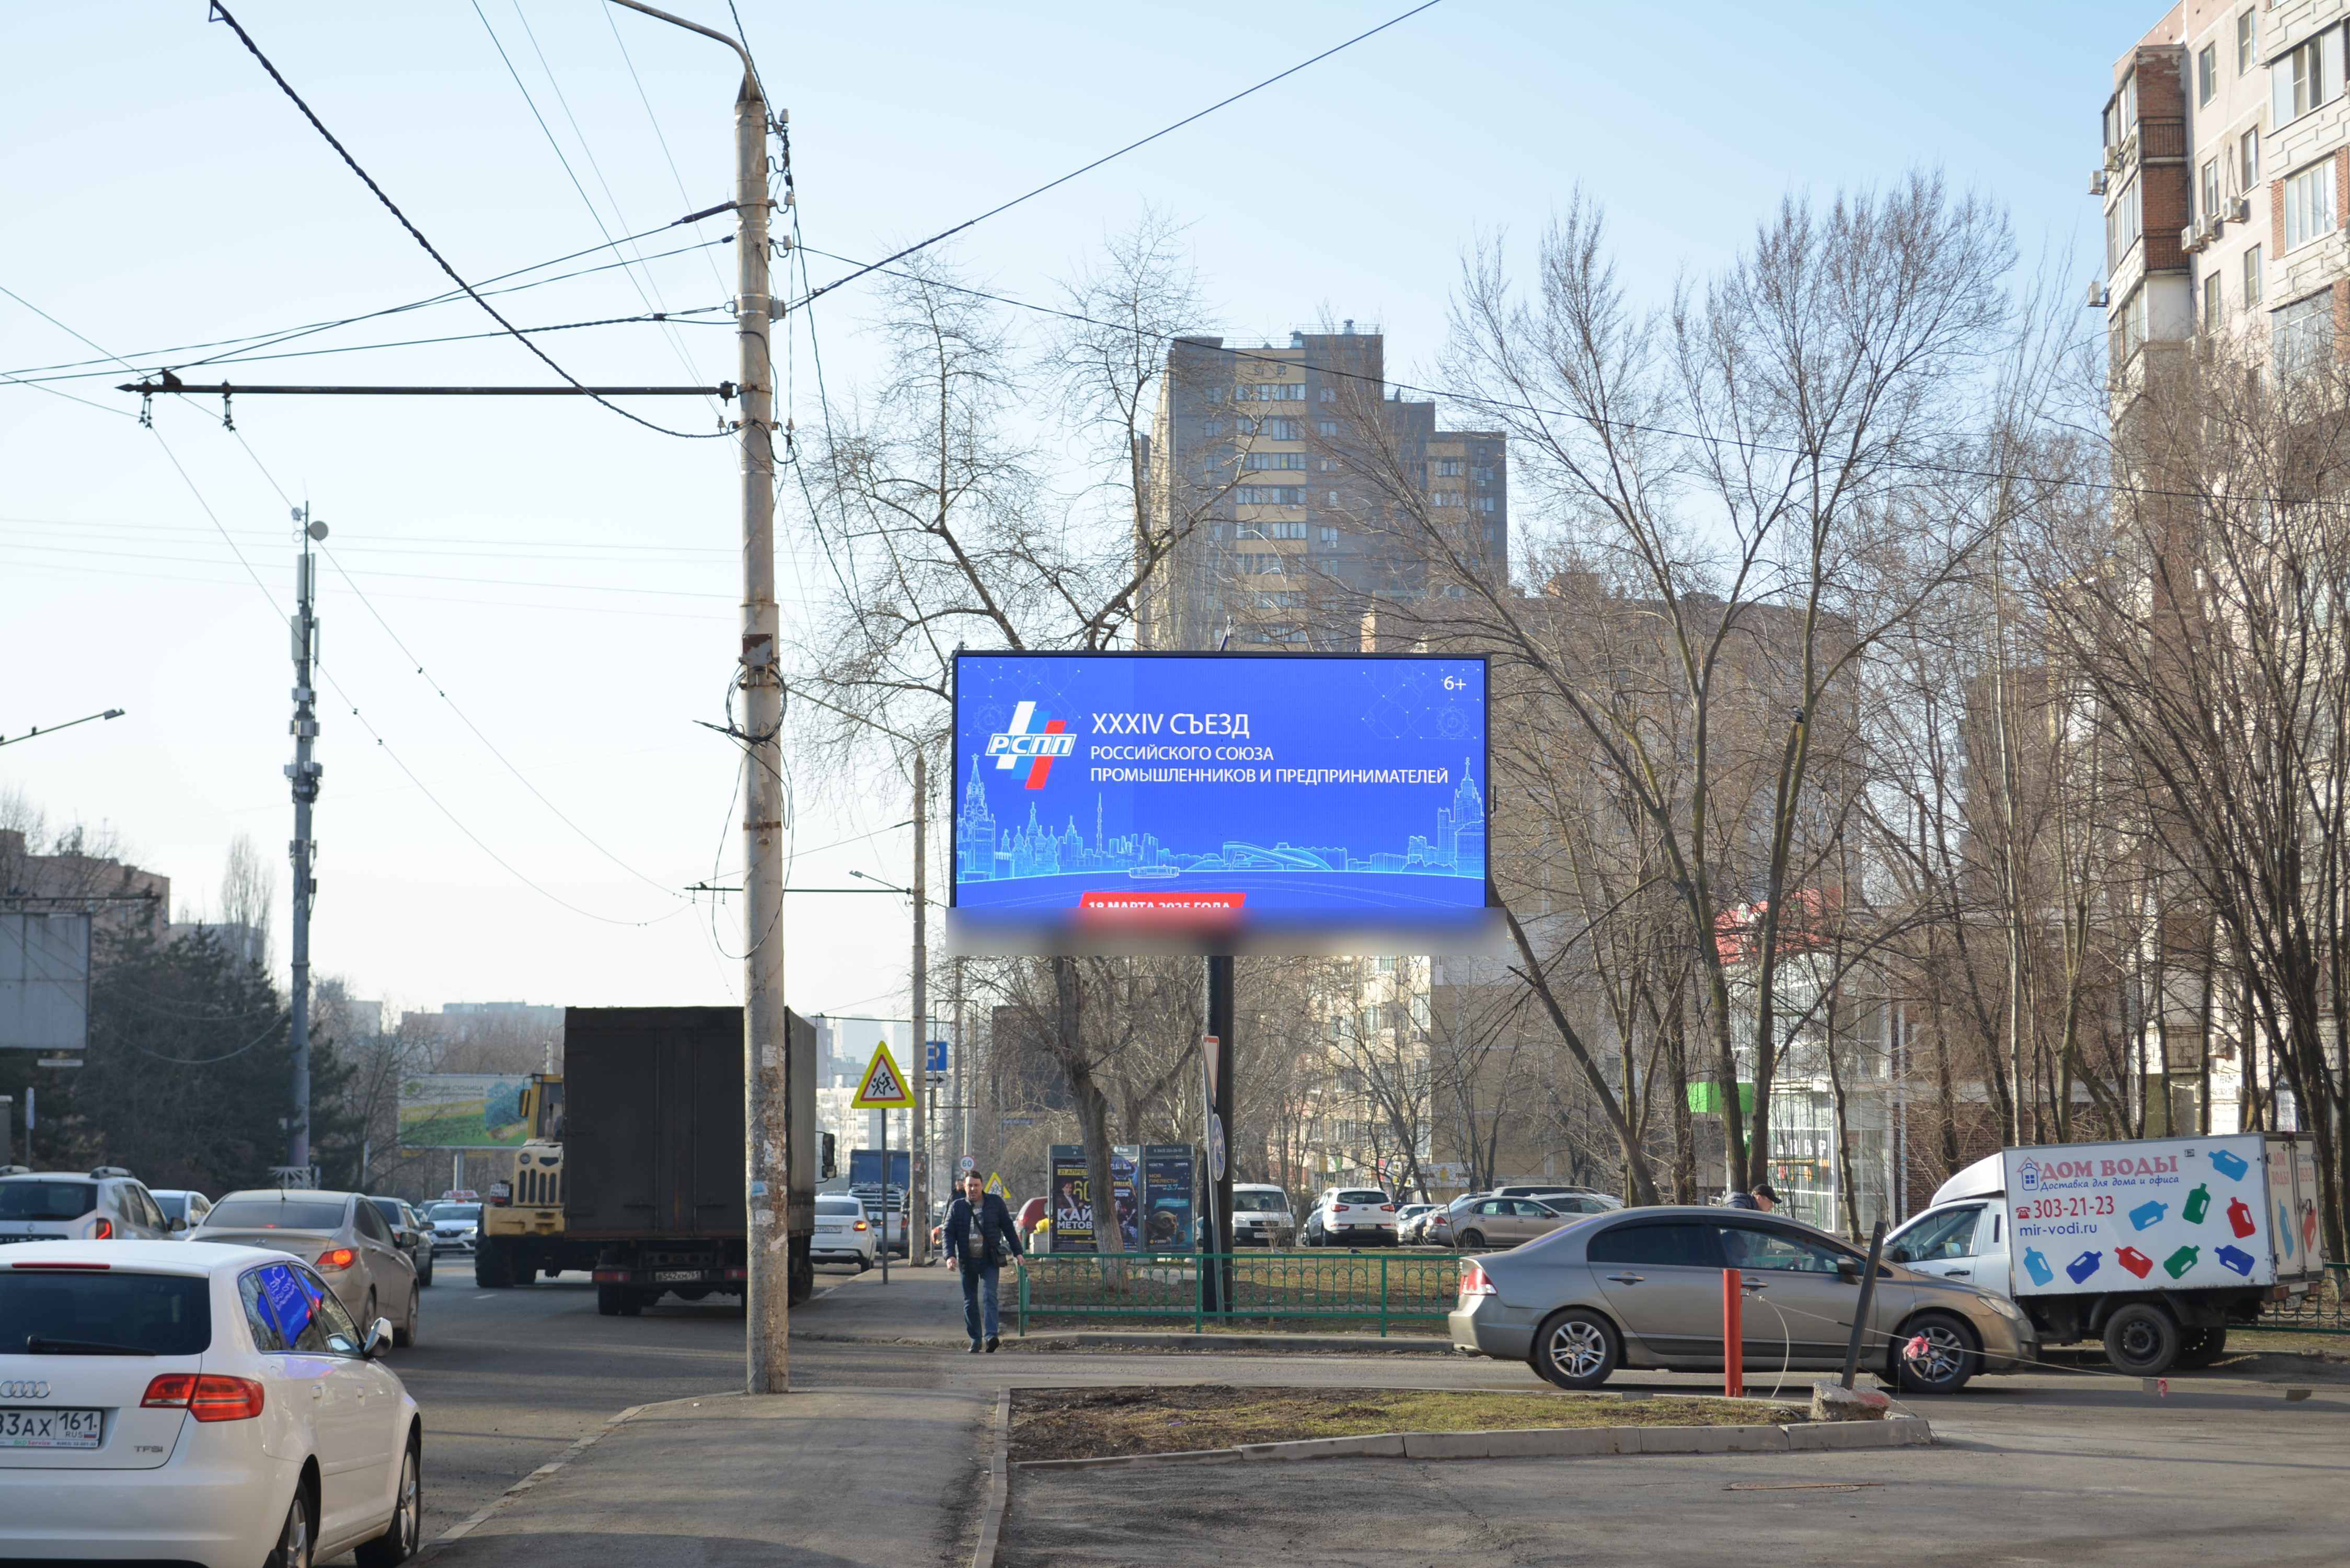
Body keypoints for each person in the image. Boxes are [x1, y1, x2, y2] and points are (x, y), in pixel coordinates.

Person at [943, 1171, 1022, 1353]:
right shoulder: (957, 1207)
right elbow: (948, 1232)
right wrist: (949, 1256)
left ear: (982, 1186)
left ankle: (991, 1336)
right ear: (964, 1186)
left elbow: (1008, 1228)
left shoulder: (995, 1203)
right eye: (970, 1185)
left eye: (976, 1185)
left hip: (989, 1260)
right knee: (970, 1301)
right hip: (966, 1260)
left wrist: (1018, 1252)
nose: (973, 1189)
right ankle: (976, 1340)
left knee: (990, 1296)